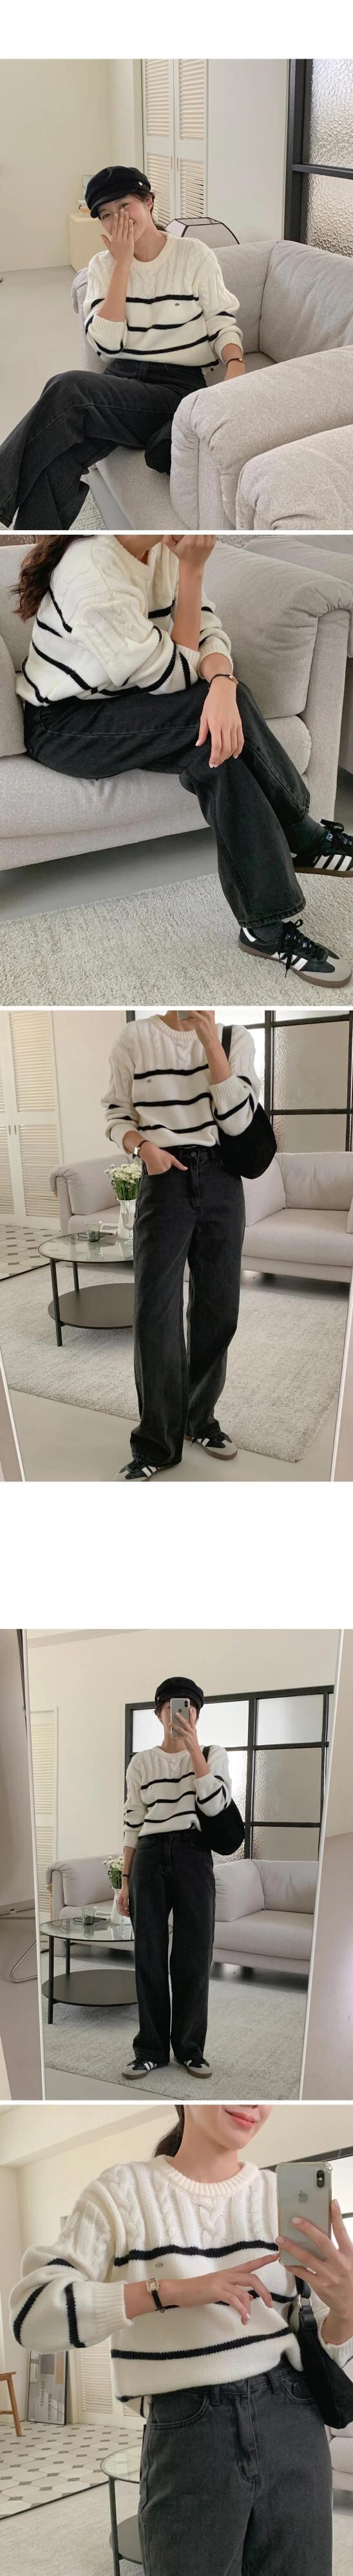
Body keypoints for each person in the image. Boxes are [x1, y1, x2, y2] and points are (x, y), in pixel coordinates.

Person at [10, 2101, 353, 2575]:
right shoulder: (123, 2193)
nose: (254, 2102)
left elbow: (319, 2339)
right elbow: (31, 2314)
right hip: (191, 2436)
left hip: (294, 2423)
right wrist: (169, 2290)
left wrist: (347, 2309)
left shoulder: (278, 2195)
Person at [14, 531, 353, 993]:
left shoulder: (160, 549)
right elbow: (174, 678)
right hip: (65, 725)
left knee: (217, 750)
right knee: (212, 713)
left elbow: (209, 628)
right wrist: (193, 573)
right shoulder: (93, 571)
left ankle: (264, 928)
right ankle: (304, 837)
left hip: (127, 701)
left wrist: (224, 681)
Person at [0, 163, 245, 530]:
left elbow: (221, 321)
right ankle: (36, 554)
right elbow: (108, 346)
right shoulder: (101, 267)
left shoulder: (193, 255)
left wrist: (236, 363)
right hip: (123, 382)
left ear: (149, 202)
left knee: (68, 388)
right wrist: (122, 268)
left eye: (125, 206)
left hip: (175, 389)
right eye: (106, 215)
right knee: (58, 460)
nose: (118, 220)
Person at [104, 1006, 256, 1478]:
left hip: (222, 1179)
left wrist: (211, 1044)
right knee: (155, 1312)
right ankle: (156, 1444)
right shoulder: (134, 1038)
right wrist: (143, 1147)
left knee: (219, 1308)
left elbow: (239, 1123)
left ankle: (199, 1418)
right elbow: (116, 1114)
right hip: (163, 1177)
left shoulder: (234, 1038)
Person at [119, 1670, 232, 2075]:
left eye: (189, 1709)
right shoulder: (141, 1762)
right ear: (159, 1713)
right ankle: (150, 2049)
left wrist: (194, 1750)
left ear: (197, 1714)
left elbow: (215, 1806)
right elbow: (133, 1821)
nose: (181, 1715)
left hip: (192, 1854)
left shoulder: (213, 1754)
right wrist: (124, 1881)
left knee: (194, 1955)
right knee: (148, 1955)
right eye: (172, 1708)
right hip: (149, 1857)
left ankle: (190, 2049)